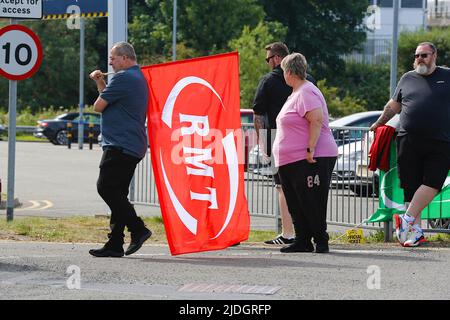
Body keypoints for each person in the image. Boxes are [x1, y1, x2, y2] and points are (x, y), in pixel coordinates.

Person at [370, 42, 450, 247]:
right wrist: (379, 123)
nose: (419, 59)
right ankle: (414, 232)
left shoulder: (447, 76)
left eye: (424, 55)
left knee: (433, 182)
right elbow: (393, 105)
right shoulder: (407, 77)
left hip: (440, 140)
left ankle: (405, 220)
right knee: (410, 187)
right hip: (408, 139)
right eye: (416, 55)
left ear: (434, 55)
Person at [88, 42, 152, 257]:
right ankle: (115, 243)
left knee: (106, 188)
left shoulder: (124, 78)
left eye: (113, 58)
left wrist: (101, 84)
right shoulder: (135, 77)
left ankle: (138, 229)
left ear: (125, 58)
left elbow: (98, 106)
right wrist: (101, 82)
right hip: (130, 144)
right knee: (118, 194)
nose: (110, 62)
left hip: (121, 144)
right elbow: (108, 99)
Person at [273, 52, 338, 253]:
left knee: (311, 200)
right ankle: (302, 239)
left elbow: (316, 120)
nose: (283, 74)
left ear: (290, 72)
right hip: (290, 159)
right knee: (296, 201)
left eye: (284, 70)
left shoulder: (306, 92)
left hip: (308, 157)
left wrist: (310, 148)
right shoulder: (296, 93)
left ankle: (320, 239)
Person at [253, 42, 316, 245]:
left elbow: (258, 114)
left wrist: (263, 142)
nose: (268, 63)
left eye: (268, 59)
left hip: (279, 141)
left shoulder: (269, 81)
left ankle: (288, 233)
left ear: (278, 59)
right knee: (305, 188)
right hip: (305, 141)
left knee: (283, 188)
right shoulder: (309, 80)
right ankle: (309, 232)